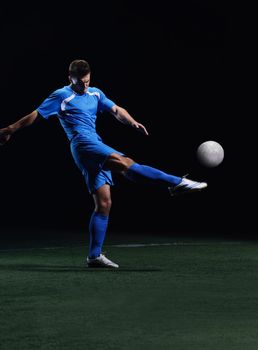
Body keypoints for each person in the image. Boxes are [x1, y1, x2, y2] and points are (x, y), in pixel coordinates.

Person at [0, 59, 207, 268]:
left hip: (95, 142)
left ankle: (94, 256)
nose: (85, 85)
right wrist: (9, 129)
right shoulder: (62, 95)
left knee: (104, 203)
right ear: (70, 78)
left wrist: (132, 122)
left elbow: (116, 110)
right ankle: (176, 182)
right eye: (80, 82)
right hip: (82, 144)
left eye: (87, 81)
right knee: (124, 163)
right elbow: (35, 115)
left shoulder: (95, 93)